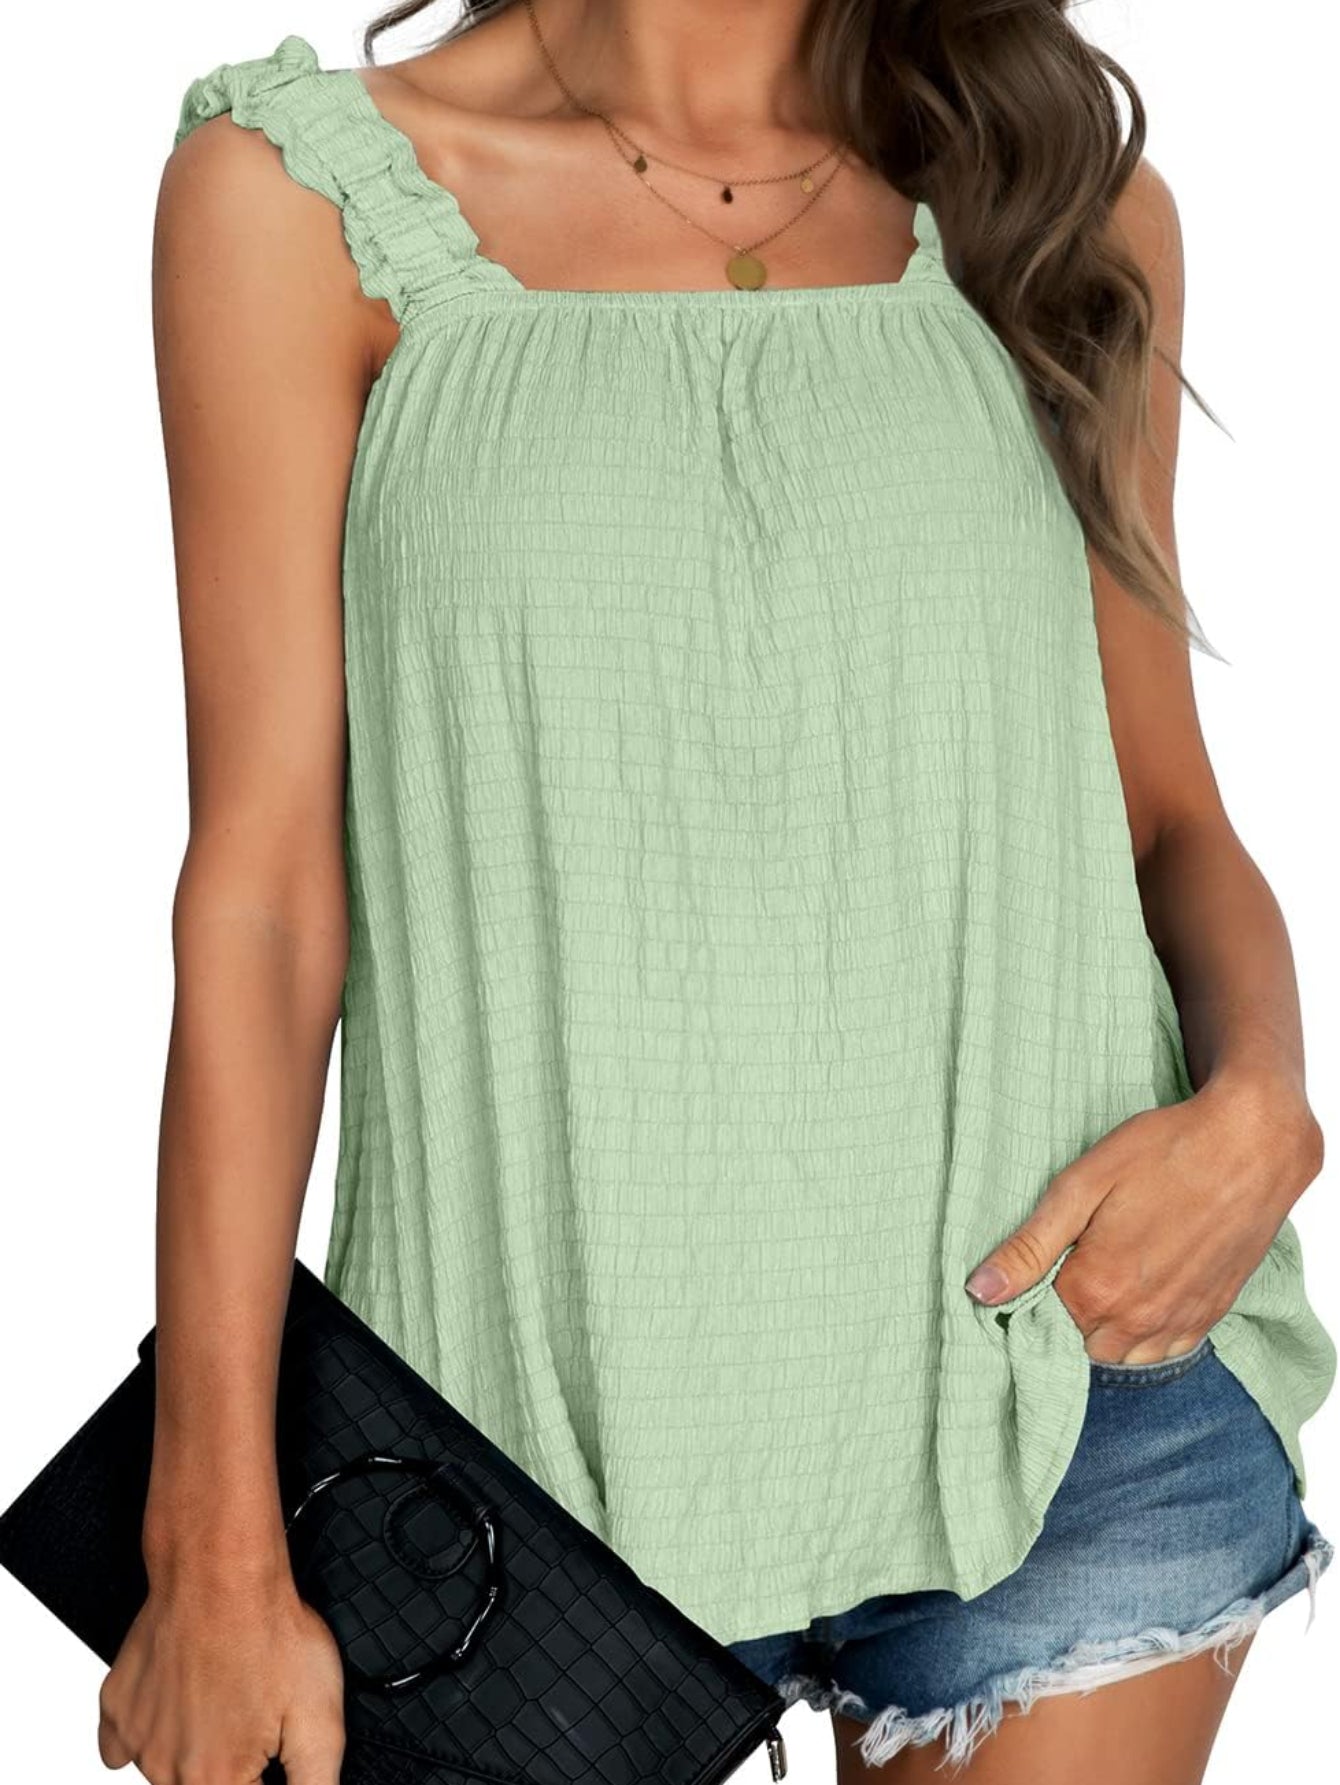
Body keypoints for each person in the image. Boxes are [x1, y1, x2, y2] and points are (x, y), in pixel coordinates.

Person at [97, 3, 1334, 1782]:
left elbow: (1163, 817)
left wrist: (1267, 1100)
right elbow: (263, 898)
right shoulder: (300, 201)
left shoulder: (1058, 208)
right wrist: (208, 1535)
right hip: (524, 1448)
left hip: (1068, 1389)